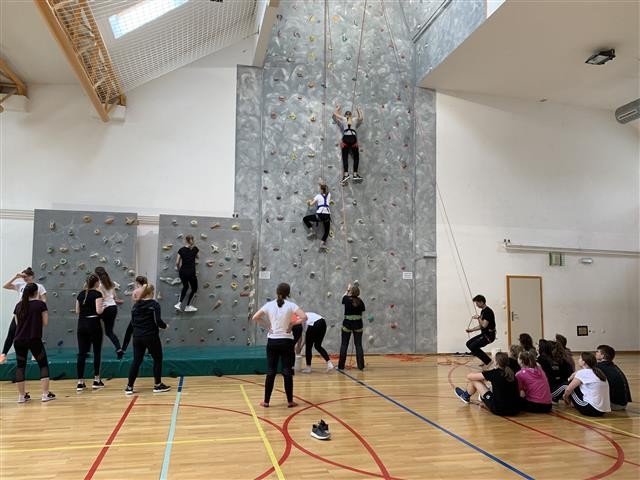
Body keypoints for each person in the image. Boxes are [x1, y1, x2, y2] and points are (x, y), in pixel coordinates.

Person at [252, 283, 307, 407]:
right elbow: (304, 317)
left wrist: (268, 326)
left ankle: (266, 401)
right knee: (287, 371)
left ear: (277, 292)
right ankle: (290, 401)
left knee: (271, 371)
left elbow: (255, 317)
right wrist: (292, 324)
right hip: (287, 342)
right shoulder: (291, 305)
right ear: (288, 293)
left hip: (272, 341)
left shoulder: (269, 305)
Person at [124, 283, 171, 394]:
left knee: (136, 361)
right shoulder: (154, 305)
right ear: (151, 292)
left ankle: (129, 387)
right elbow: (158, 321)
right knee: (157, 359)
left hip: (137, 337)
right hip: (150, 336)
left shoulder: (135, 305)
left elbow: (133, 322)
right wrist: (165, 326)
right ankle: (157, 385)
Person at [12, 283, 55, 403]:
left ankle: (21, 396)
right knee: (43, 365)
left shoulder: (18, 305)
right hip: (34, 339)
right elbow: (45, 322)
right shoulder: (40, 305)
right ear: (36, 293)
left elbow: (17, 324)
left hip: (19, 340)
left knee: (20, 367)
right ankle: (45, 394)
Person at [1, 267, 47, 364]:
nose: (24, 278)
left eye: (26, 276)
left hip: (33, 313)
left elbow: (44, 299)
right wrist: (16, 277)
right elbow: (5, 286)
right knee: (12, 332)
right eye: (23, 277)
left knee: (34, 334)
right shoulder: (20, 285)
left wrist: (39, 308)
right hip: (21, 312)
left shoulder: (39, 286)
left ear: (32, 276)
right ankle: (3, 354)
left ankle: (35, 354)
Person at [454, 352, 520, 416]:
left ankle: (465, 396)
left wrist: (482, 373)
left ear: (496, 362)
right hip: (515, 409)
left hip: (499, 409)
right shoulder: (511, 373)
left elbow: (469, 376)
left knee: (474, 380)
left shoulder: (494, 373)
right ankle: (481, 397)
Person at [76, 273, 105, 391]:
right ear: (96, 283)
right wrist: (104, 307)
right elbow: (99, 311)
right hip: (94, 324)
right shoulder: (97, 294)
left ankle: (80, 382)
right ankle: (96, 379)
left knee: (82, 353)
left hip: (81, 324)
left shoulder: (80, 294)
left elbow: (77, 311)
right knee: (97, 352)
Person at [562, 352, 610, 417]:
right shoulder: (599, 372)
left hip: (590, 409)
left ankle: (553, 398)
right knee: (575, 385)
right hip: (602, 411)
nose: (578, 360)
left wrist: (565, 397)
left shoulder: (583, 372)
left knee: (567, 386)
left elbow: (568, 389)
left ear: (584, 362)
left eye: (580, 358)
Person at [95, 267, 124, 359]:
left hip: (105, 308)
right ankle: (119, 348)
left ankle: (90, 349)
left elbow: (102, 297)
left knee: (94, 328)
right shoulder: (110, 283)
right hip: (113, 307)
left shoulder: (99, 285)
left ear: (97, 275)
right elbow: (114, 297)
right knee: (109, 331)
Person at [333, 104, 364, 185]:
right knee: (356, 157)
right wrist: (359, 110)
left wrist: (338, 108)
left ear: (345, 115)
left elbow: (335, 114)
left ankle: (346, 175)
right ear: (351, 115)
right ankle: (355, 174)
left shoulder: (343, 119)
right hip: (353, 139)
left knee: (345, 157)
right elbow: (361, 118)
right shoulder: (354, 119)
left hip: (345, 139)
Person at [338, 284, 366, 371]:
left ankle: (341, 366)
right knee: (358, 345)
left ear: (351, 292)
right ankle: (361, 366)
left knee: (344, 344)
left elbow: (343, 297)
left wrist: (347, 290)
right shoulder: (361, 302)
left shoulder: (346, 299)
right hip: (358, 325)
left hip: (347, 324)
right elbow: (362, 312)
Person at [595, 345, 632, 411]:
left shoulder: (599, 367)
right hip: (623, 404)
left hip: (613, 405)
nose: (596, 353)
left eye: (597, 352)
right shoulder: (614, 366)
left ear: (603, 356)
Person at [465, 295, 496, 367]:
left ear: (481, 302)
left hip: (489, 336)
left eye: (477, 303)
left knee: (473, 346)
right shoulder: (483, 311)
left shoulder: (488, 311)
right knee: (468, 343)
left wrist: (478, 317)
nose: (476, 305)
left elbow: (484, 325)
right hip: (484, 334)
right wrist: (471, 330)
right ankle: (485, 360)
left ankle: (488, 361)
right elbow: (481, 326)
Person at [303, 183, 332, 250]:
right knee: (326, 231)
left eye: (320, 189)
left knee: (305, 219)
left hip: (320, 215)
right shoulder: (329, 195)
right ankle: (322, 244)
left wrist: (308, 202)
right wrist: (322, 184)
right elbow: (326, 188)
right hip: (327, 216)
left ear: (321, 190)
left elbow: (311, 204)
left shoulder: (318, 196)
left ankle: (312, 231)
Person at [175, 235, 199, 312]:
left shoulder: (181, 250)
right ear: (193, 240)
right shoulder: (195, 249)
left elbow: (177, 263)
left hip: (182, 272)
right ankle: (188, 306)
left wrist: (179, 269)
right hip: (191, 272)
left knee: (185, 287)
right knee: (194, 288)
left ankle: (179, 303)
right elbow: (198, 257)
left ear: (185, 240)